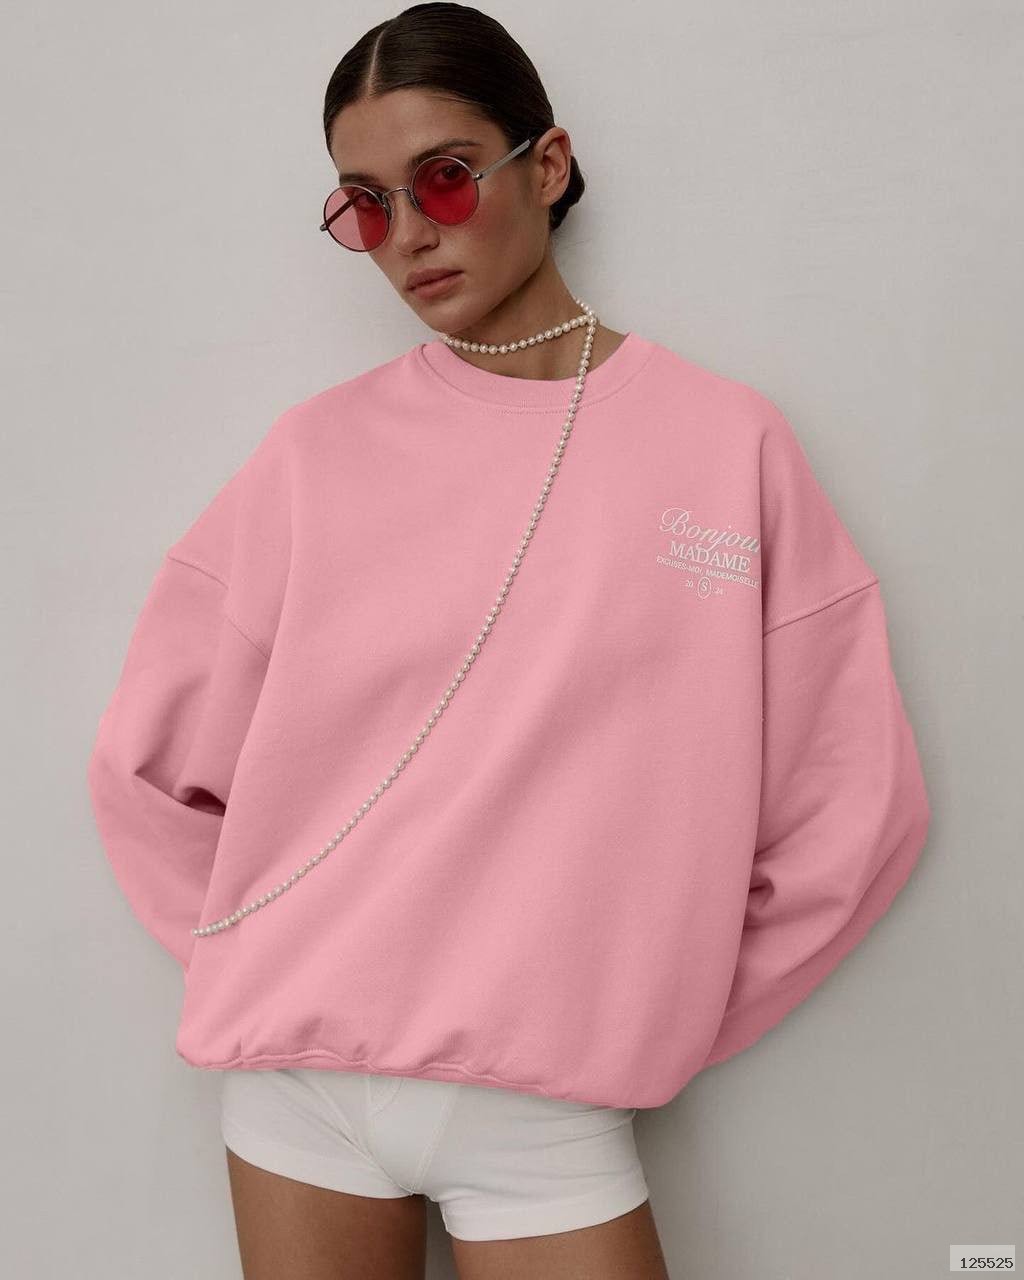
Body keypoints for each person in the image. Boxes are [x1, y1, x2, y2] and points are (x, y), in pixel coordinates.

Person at [86, 4, 931, 1278]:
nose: (409, 234)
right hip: (299, 1083)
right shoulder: (315, 456)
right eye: (364, 204)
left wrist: (649, 1009)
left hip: (550, 1105)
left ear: (546, 164)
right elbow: (147, 768)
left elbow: (853, 802)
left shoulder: (725, 445)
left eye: (441, 177)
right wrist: (262, 957)